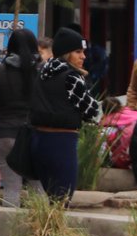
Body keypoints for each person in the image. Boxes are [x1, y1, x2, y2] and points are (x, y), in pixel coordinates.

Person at [28, 26, 102, 200]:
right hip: (62, 143)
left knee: (50, 197)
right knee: (62, 199)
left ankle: (45, 227)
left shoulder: (42, 72)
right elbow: (92, 111)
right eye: (78, 52)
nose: (83, 56)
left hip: (38, 141)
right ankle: (54, 228)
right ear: (66, 53)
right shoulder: (71, 77)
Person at [0, 28, 42, 207]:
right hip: (33, 137)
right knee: (38, 187)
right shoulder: (41, 72)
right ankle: (44, 230)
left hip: (4, 136)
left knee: (11, 188)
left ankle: (7, 232)